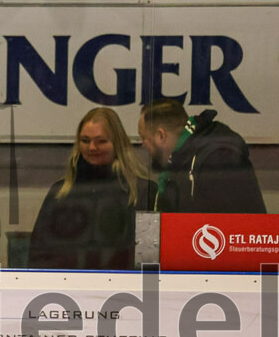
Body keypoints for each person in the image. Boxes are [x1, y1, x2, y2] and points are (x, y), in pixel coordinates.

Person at [29, 107, 154, 270]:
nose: (92, 148)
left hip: (125, 284)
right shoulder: (60, 192)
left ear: (117, 144)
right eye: (85, 140)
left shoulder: (143, 191)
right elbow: (38, 254)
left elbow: (149, 258)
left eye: (101, 141)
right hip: (67, 283)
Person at [137, 99, 266, 214]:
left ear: (161, 135)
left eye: (144, 138)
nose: (143, 145)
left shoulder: (217, 158)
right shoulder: (180, 164)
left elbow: (235, 224)